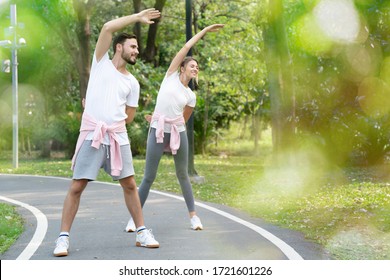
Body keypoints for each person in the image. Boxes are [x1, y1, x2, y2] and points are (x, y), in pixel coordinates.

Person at [53, 8, 161, 257]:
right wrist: (136, 18)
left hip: (116, 136)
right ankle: (63, 238)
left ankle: (142, 231)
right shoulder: (100, 62)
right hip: (93, 134)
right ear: (118, 47)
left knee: (130, 184)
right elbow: (107, 28)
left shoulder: (132, 83)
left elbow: (129, 116)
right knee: (77, 186)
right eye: (132, 46)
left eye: (137, 48)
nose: (136, 51)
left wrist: (113, 118)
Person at [125, 24, 224, 233]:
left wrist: (169, 121)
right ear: (182, 68)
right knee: (148, 177)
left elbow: (183, 119)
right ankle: (135, 219)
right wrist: (204, 31)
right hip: (157, 130)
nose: (195, 68)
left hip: (177, 133)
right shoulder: (170, 76)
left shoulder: (191, 96)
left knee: (182, 175)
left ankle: (194, 217)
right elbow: (186, 47)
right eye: (192, 65)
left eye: (197, 67)